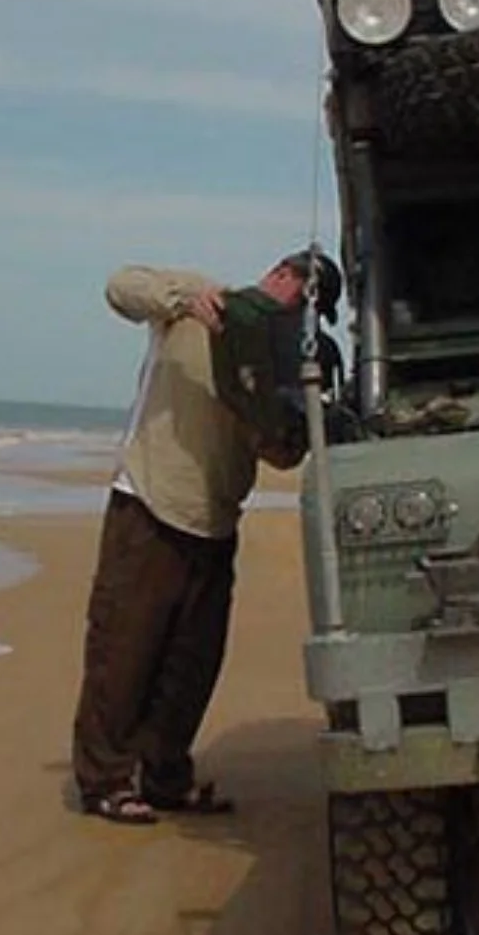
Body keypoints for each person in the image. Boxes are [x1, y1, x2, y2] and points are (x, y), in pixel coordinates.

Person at [71, 248, 343, 825]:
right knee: (124, 652)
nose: (302, 316)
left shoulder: (283, 358)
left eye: (314, 313)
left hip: (217, 522)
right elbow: (120, 285)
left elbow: (280, 453)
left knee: (192, 667)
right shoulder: (200, 297)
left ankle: (165, 778)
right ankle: (104, 782)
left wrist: (293, 413)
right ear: (280, 275)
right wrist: (184, 301)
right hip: (149, 505)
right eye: (303, 300)